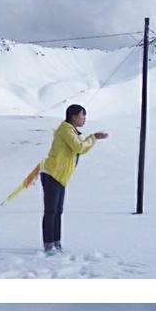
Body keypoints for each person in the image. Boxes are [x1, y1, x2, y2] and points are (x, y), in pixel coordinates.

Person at [40, 105, 108, 255]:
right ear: (74, 116)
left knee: (58, 211)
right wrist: (93, 137)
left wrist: (93, 139)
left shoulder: (73, 131)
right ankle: (48, 245)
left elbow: (82, 149)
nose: (84, 119)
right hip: (52, 174)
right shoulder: (65, 129)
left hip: (60, 177)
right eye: (83, 115)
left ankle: (56, 243)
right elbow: (78, 147)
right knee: (51, 211)